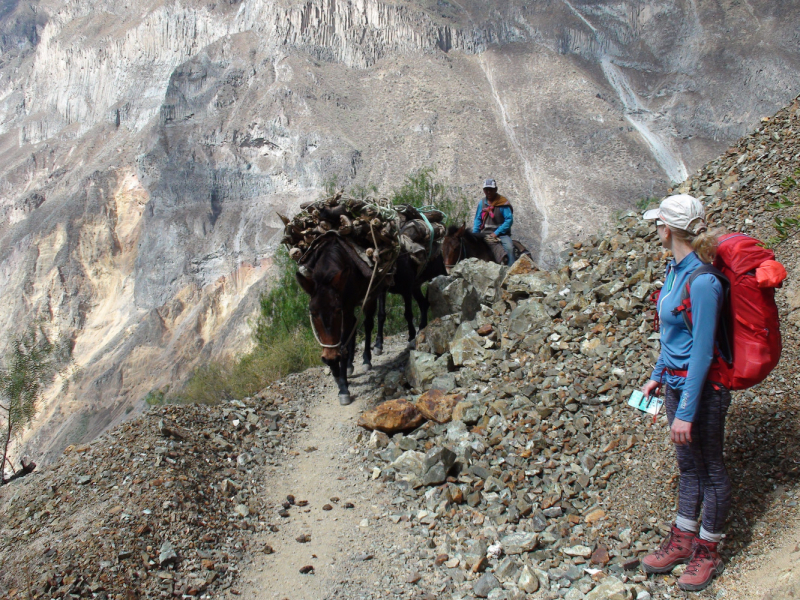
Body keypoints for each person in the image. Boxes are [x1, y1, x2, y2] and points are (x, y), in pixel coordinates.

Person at [639, 194, 729, 592]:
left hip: (703, 390)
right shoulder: (674, 271)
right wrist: (658, 374)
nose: (655, 229)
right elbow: (673, 335)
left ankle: (707, 551)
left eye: (657, 223)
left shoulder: (704, 281)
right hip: (676, 384)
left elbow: (704, 350)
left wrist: (687, 412)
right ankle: (683, 539)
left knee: (710, 469)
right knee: (689, 468)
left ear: (669, 228)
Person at [473, 178, 515, 265]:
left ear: (495, 189)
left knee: (509, 248)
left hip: (501, 234)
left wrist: (496, 233)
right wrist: (475, 234)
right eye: (486, 189)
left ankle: (511, 270)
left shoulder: (502, 203)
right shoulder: (482, 203)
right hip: (485, 233)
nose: (488, 192)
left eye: (491, 189)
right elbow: (478, 219)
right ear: (484, 190)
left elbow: (509, 220)